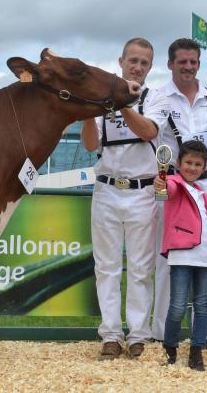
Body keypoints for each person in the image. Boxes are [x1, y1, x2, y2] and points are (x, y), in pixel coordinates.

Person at [81, 37, 170, 360]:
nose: (138, 66)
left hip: (143, 190)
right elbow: (91, 145)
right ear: (121, 61)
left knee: (140, 266)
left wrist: (119, 104)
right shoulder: (103, 100)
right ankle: (110, 333)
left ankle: (138, 333)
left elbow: (149, 131)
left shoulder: (156, 97)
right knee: (105, 266)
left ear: (150, 67)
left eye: (144, 62)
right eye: (133, 60)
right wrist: (89, 112)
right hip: (106, 188)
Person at [152, 38, 207, 348]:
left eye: (193, 62)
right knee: (167, 254)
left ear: (199, 63)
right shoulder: (158, 98)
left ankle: (206, 334)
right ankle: (161, 332)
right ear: (170, 64)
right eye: (182, 61)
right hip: (172, 185)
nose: (188, 67)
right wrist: (165, 182)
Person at [153, 140, 207, 371]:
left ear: (204, 167)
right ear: (178, 163)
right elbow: (163, 195)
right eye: (188, 162)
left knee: (203, 306)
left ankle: (196, 351)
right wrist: (160, 183)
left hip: (206, 254)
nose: (192, 167)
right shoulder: (172, 182)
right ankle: (170, 347)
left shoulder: (202, 192)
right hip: (182, 254)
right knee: (178, 305)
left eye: (198, 164)